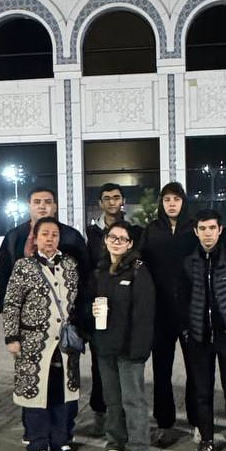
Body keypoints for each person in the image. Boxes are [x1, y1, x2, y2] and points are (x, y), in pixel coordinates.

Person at [2, 217, 82, 451]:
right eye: (45, 234)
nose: (50, 239)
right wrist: (12, 338)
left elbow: (77, 301)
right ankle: (38, 444)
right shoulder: (23, 266)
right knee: (36, 395)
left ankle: (61, 440)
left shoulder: (69, 264)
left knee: (63, 394)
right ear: (35, 239)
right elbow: (12, 304)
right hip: (34, 344)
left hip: (65, 345)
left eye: (54, 234)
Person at [181, 209, 226, 451]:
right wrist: (187, 331)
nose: (208, 233)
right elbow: (183, 299)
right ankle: (206, 441)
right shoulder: (189, 262)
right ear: (196, 232)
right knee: (202, 392)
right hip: (199, 338)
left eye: (212, 228)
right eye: (203, 229)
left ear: (220, 230)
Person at [85, 220, 155, 451]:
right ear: (105, 240)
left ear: (130, 244)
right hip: (105, 346)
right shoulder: (101, 270)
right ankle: (115, 442)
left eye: (122, 239)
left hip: (129, 348)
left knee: (132, 399)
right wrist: (91, 311)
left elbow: (144, 313)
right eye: (112, 237)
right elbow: (88, 302)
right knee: (112, 399)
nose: (116, 242)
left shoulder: (138, 270)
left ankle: (138, 446)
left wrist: (139, 349)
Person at [138, 182, 199, 446]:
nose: (171, 204)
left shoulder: (194, 228)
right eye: (167, 200)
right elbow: (141, 265)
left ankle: (198, 420)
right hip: (160, 312)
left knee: (195, 369)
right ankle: (164, 422)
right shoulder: (152, 230)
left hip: (189, 311)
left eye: (176, 199)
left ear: (183, 202)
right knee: (161, 370)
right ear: (161, 203)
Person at [82, 182, 143, 433]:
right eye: (106, 198)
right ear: (100, 203)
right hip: (100, 305)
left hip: (125, 305)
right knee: (100, 366)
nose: (112, 202)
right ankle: (100, 412)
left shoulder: (135, 232)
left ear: (123, 201)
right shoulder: (91, 234)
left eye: (116, 197)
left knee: (126, 370)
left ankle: (127, 421)